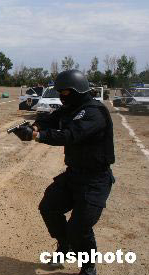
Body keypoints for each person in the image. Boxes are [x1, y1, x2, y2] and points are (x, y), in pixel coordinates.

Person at [12, 70, 115, 275]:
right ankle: (65, 245)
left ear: (77, 91)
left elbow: (70, 135)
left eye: (65, 92)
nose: (61, 96)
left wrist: (36, 135)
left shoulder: (94, 112)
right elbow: (50, 119)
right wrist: (34, 125)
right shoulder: (70, 107)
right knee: (49, 207)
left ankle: (88, 267)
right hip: (74, 175)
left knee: (80, 228)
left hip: (95, 180)